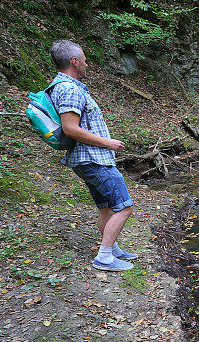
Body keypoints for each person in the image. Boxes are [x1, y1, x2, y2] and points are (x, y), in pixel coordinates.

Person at [49, 39, 137, 271]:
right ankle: (104, 257)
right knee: (124, 206)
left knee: (106, 207)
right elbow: (70, 128)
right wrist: (108, 143)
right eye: (85, 61)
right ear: (74, 62)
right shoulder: (68, 89)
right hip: (93, 159)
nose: (87, 65)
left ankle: (113, 249)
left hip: (89, 158)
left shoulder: (66, 87)